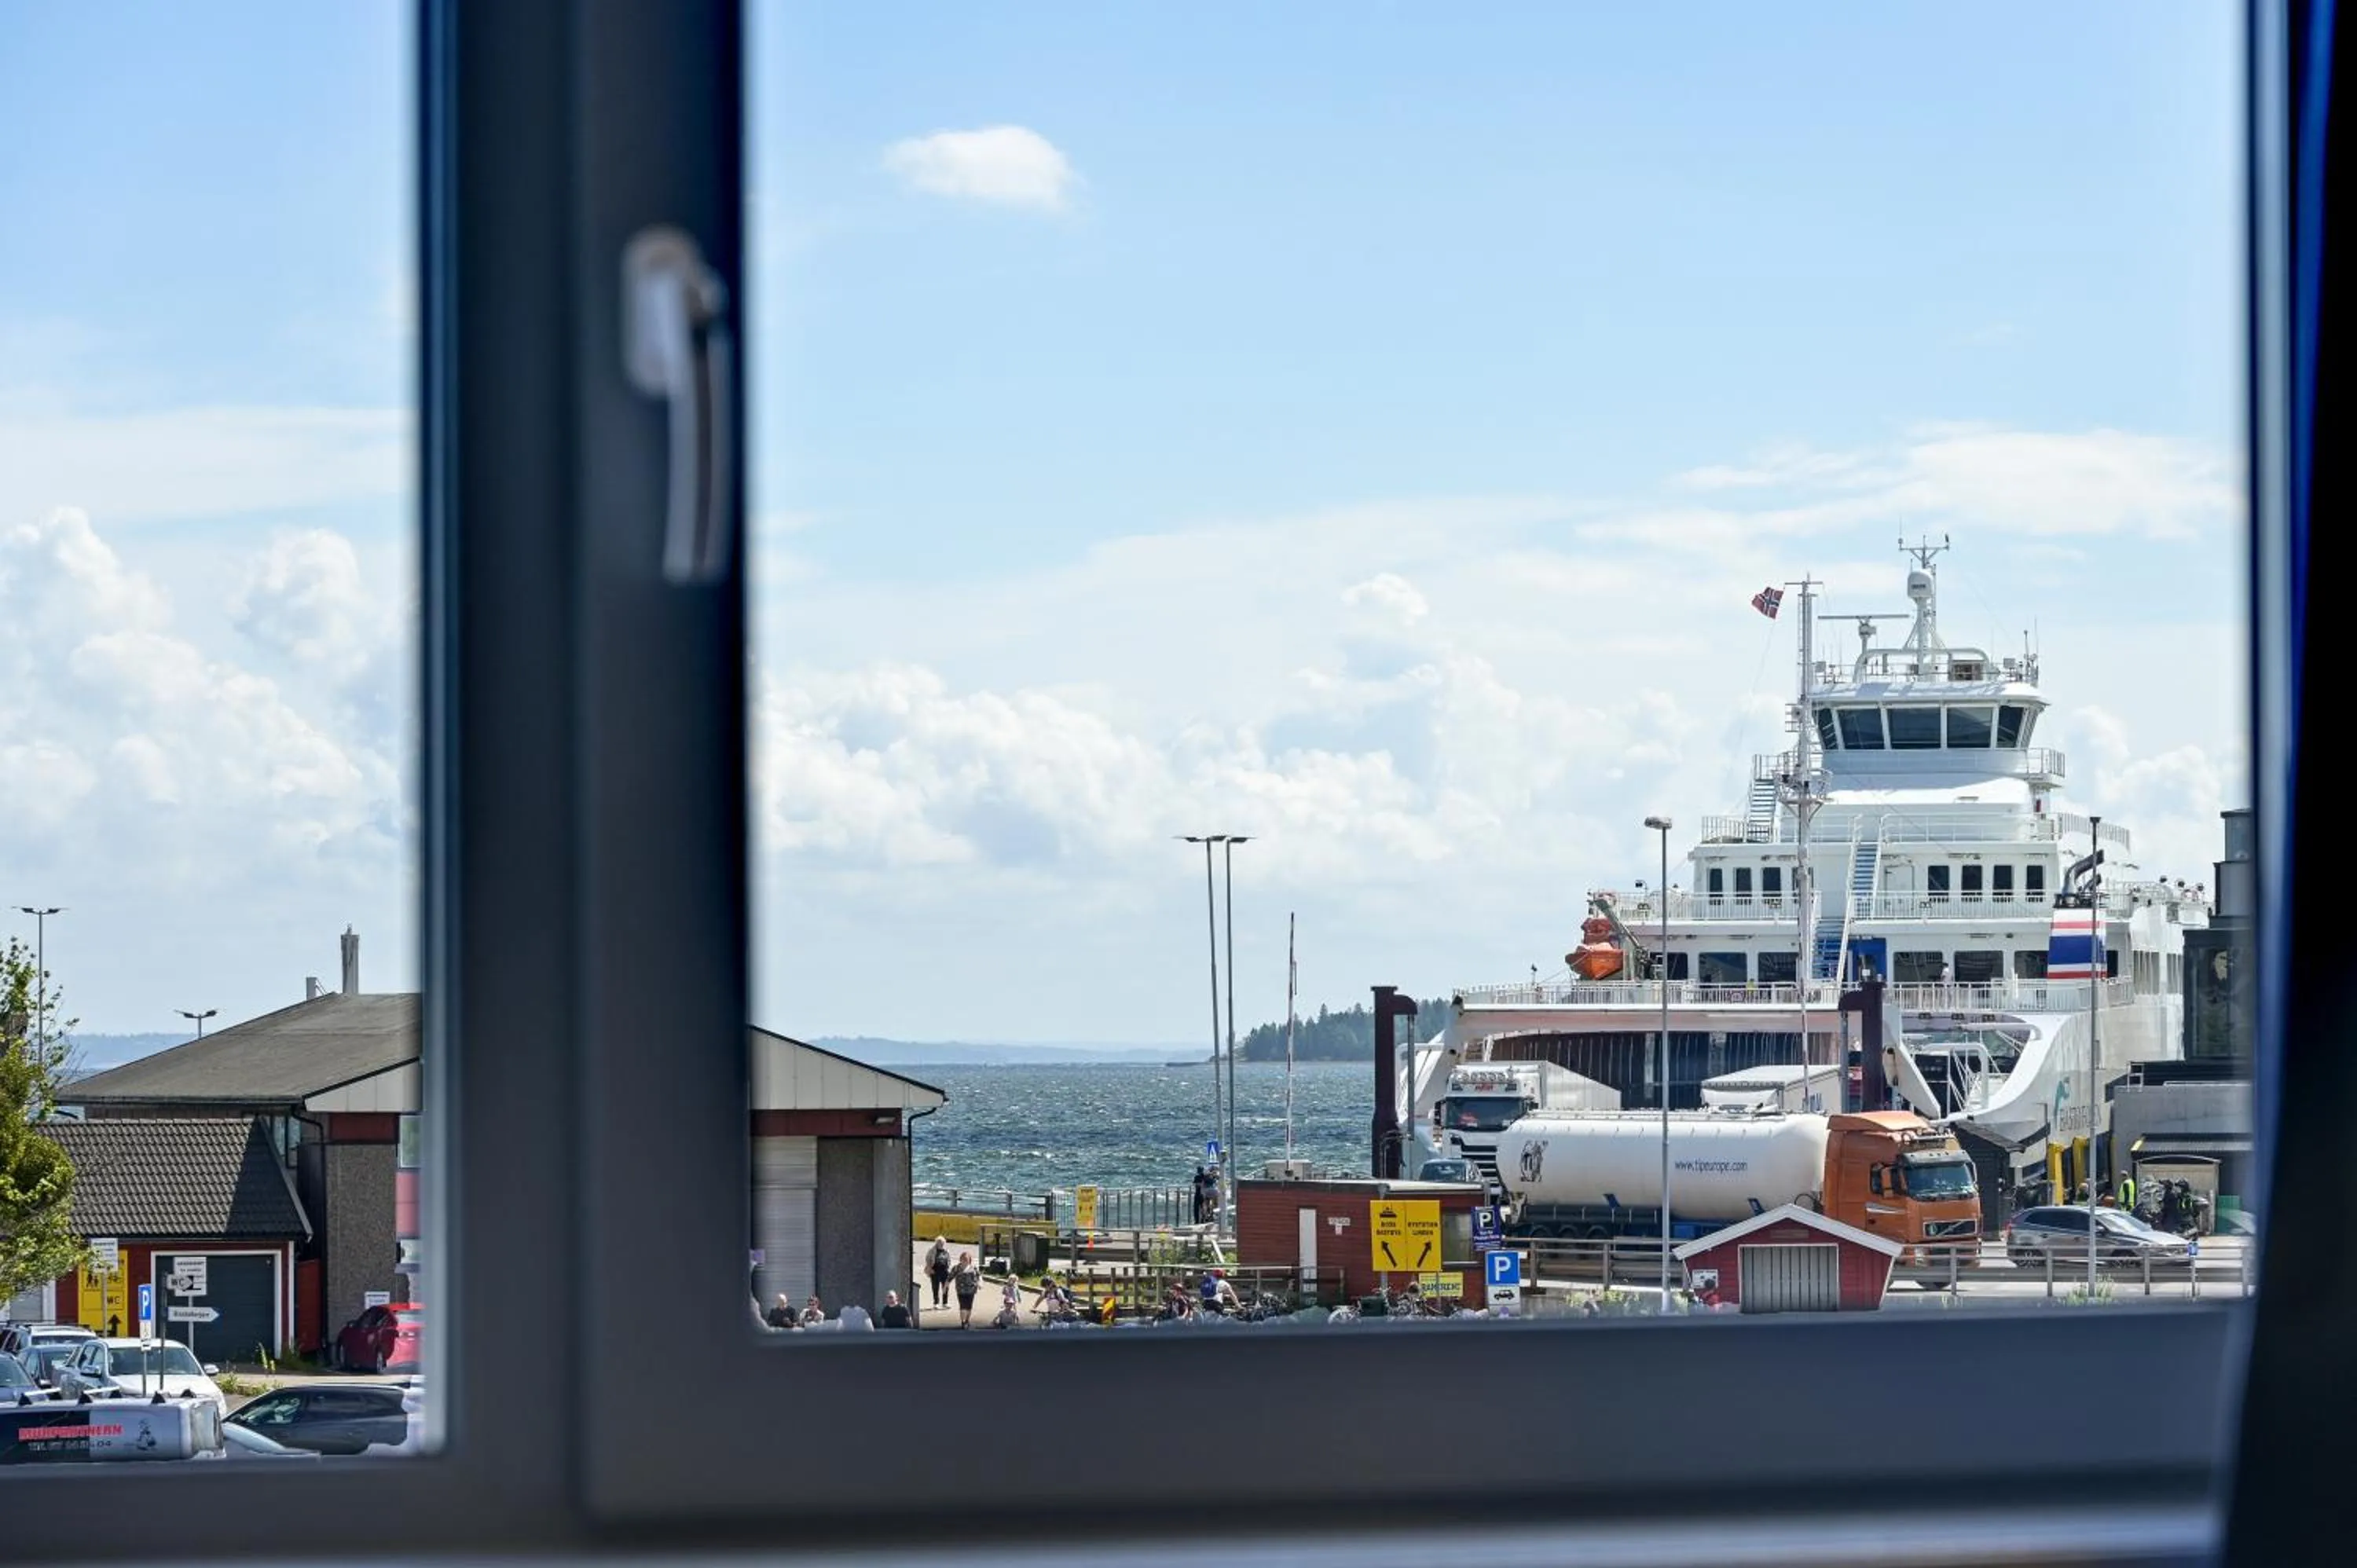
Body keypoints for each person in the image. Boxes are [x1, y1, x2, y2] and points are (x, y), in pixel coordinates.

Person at [953, 1251, 981, 1328]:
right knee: (962, 1306)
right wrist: (946, 1286)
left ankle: (967, 1320)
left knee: (969, 1306)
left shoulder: (974, 1268)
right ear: (960, 1259)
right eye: (963, 1259)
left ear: (969, 1260)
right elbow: (950, 1277)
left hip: (971, 1290)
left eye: (966, 1259)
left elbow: (979, 1276)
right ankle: (963, 1322)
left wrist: (980, 1284)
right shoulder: (957, 1268)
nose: (965, 1261)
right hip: (961, 1290)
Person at [926, 1236, 953, 1309]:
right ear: (936, 1243)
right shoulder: (932, 1250)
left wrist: (949, 1268)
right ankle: (936, 1303)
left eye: (942, 1243)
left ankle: (945, 1303)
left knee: (945, 1287)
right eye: (939, 1242)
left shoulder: (946, 1250)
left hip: (945, 1271)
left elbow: (949, 1260)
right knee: (935, 1287)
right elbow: (927, 1260)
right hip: (935, 1271)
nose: (941, 1244)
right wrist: (930, 1269)